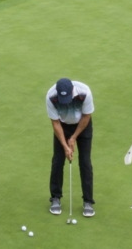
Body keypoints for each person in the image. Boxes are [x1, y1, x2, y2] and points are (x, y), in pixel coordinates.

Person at [47, 77, 95, 218]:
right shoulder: (51, 97)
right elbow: (55, 123)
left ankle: (88, 201)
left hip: (83, 126)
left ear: (72, 90)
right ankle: (55, 198)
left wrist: (73, 138)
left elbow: (87, 116)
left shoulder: (84, 92)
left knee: (85, 162)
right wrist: (65, 145)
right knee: (57, 161)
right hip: (62, 126)